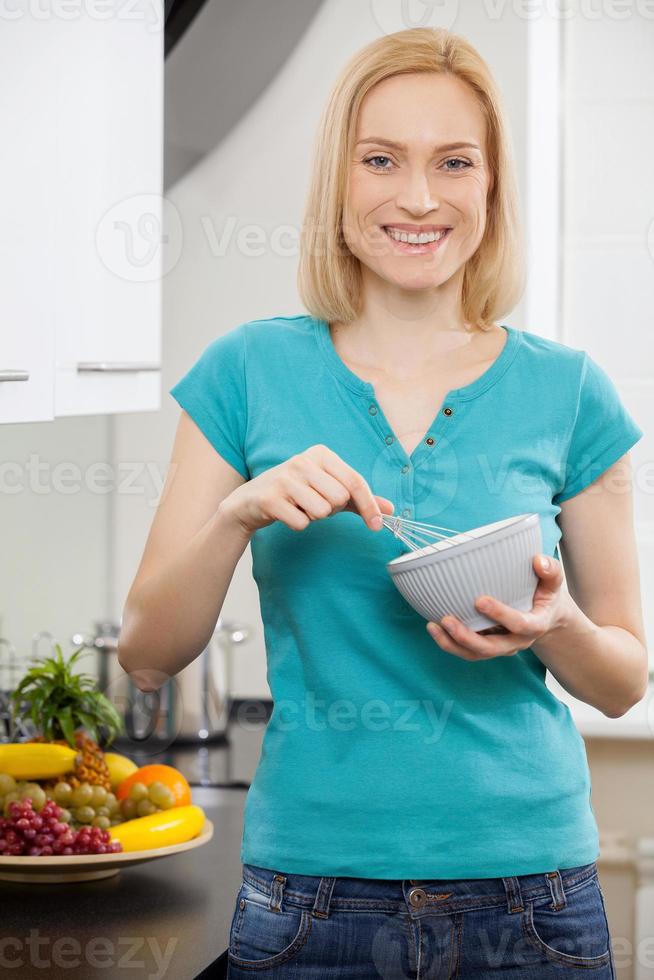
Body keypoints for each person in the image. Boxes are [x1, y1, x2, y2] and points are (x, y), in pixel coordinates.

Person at [119, 26, 647, 978]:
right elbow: (150, 653)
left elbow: (622, 678)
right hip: (306, 898)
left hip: (533, 897)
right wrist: (238, 512)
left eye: (454, 162)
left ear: (490, 185)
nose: (417, 196)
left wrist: (557, 622)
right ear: (340, 181)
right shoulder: (247, 371)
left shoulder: (570, 392)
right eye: (381, 160)